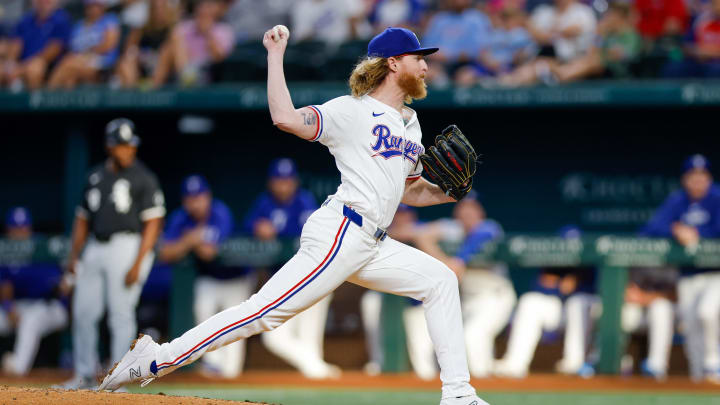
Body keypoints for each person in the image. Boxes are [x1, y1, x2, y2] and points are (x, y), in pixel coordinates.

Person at [100, 25, 489, 405]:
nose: (425, 66)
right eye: (417, 58)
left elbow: (407, 190)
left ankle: (458, 394)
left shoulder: (412, 124)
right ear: (392, 64)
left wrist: (446, 193)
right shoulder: (351, 111)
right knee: (261, 315)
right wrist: (275, 55)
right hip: (342, 231)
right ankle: (153, 359)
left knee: (439, 280)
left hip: (374, 241)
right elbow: (285, 117)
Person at [56, 118, 165, 390]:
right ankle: (82, 375)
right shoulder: (95, 177)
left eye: (131, 145)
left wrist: (139, 261)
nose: (128, 150)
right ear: (110, 146)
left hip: (126, 245)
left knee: (120, 313)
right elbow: (82, 219)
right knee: (83, 312)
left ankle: (119, 379)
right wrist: (74, 255)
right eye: (122, 146)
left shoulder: (143, 177)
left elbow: (153, 222)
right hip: (95, 246)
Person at [243, 158, 340, 379]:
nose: (283, 185)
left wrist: (276, 232)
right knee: (275, 337)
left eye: (287, 180)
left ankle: (317, 376)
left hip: (314, 278)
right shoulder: (264, 203)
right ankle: (316, 367)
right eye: (279, 180)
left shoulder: (304, 201)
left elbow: (309, 234)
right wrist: (258, 227)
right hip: (285, 281)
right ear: (271, 182)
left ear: (294, 182)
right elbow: (248, 226)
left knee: (309, 334)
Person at [160, 174, 250, 378]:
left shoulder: (220, 212)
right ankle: (213, 365)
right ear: (185, 201)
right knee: (202, 313)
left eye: (199, 197)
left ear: (207, 196)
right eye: (191, 198)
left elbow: (210, 251)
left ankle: (231, 374)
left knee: (237, 326)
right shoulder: (180, 217)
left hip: (236, 278)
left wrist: (185, 243)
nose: (196, 203)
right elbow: (165, 253)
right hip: (209, 279)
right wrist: (191, 240)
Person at [414, 192, 513, 378]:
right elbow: (421, 234)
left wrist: (460, 260)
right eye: (463, 207)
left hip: (495, 297)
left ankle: (483, 381)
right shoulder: (453, 228)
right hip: (468, 301)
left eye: (472, 208)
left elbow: (482, 235)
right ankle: (486, 381)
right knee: (468, 342)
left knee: (473, 336)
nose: (467, 212)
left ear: (480, 211)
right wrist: (445, 261)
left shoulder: (490, 226)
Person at [642, 154, 720, 382]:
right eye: (692, 176)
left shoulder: (717, 198)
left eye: (702, 175)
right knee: (691, 325)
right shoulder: (677, 201)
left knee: (707, 312)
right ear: (685, 179)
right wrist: (675, 230)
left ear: (709, 177)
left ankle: (714, 363)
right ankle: (699, 377)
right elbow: (651, 229)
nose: (697, 180)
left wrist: (697, 234)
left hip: (716, 273)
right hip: (688, 275)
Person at [494, 226, 597, 378]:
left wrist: (574, 285)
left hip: (585, 316)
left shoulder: (591, 262)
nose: (570, 249)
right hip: (558, 312)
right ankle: (515, 364)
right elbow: (538, 286)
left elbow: (595, 290)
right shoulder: (552, 262)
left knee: (577, 302)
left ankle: (574, 362)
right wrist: (561, 285)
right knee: (529, 301)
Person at [0, 207, 69, 376]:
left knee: (30, 320)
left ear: (29, 228)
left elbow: (62, 285)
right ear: (8, 230)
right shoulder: (7, 253)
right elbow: (5, 286)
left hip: (51, 306)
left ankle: (17, 369)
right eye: (15, 228)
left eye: (23, 228)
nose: (19, 233)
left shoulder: (44, 248)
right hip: (21, 305)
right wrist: (9, 308)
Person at [498, 0, 596, 86]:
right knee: (531, 66)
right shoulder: (544, 12)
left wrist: (548, 33)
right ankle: (505, 82)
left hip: (570, 61)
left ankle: (508, 82)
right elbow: (537, 37)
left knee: (538, 68)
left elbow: (573, 31)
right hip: (543, 57)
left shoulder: (582, 12)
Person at [151, 0, 235, 87]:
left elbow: (219, 58)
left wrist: (207, 33)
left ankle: (183, 77)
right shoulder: (183, 27)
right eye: (201, 6)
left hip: (207, 71)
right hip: (183, 68)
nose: (203, 9)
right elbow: (173, 50)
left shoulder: (224, 30)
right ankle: (154, 88)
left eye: (208, 6)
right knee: (168, 48)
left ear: (217, 10)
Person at [47, 0, 120, 89]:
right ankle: (61, 100)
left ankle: (47, 93)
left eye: (96, 6)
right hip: (79, 61)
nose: (93, 9)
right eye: (90, 6)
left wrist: (86, 53)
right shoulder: (79, 25)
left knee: (68, 65)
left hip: (102, 63)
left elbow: (108, 45)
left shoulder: (109, 20)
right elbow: (72, 48)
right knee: (69, 79)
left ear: (103, 7)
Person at [621, 267, 678, 380]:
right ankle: (614, 363)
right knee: (617, 312)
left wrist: (646, 297)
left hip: (672, 313)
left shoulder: (672, 259)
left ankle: (656, 368)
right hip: (636, 310)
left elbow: (676, 294)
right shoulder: (634, 256)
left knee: (660, 308)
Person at [1, 0, 71, 90]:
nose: (42, 2)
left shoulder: (61, 19)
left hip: (49, 66)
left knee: (34, 69)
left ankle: (37, 101)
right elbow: (16, 43)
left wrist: (21, 69)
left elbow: (52, 51)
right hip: (22, 63)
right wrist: (10, 64)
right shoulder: (26, 20)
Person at [114, 0, 180, 88]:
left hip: (161, 70)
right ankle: (133, 93)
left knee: (166, 51)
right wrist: (135, 55)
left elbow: (174, 54)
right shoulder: (140, 30)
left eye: (161, 8)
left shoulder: (172, 31)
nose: (158, 12)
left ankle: (153, 87)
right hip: (142, 68)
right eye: (155, 8)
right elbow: (129, 50)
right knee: (125, 62)